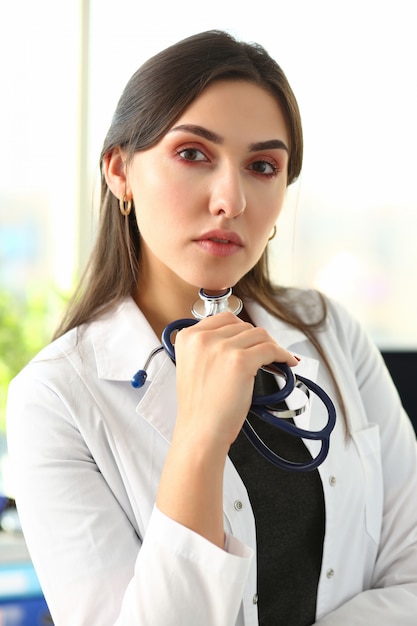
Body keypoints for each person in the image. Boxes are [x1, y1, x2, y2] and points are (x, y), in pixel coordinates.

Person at [6, 29, 417, 626]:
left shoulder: (331, 333)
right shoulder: (54, 400)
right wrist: (198, 437)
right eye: (193, 153)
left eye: (262, 166)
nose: (232, 199)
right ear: (119, 172)